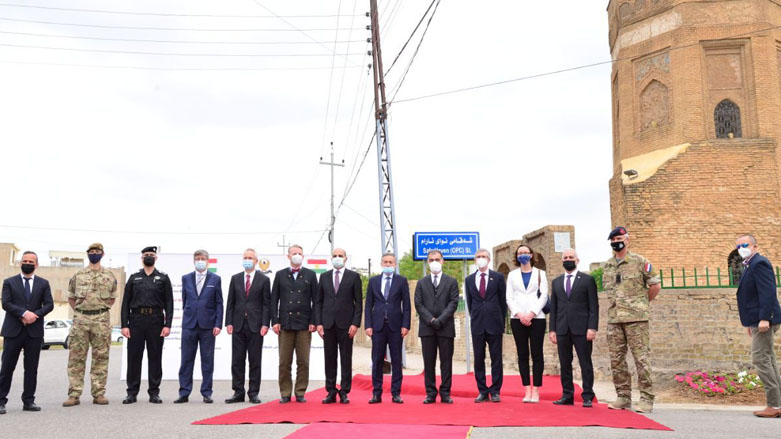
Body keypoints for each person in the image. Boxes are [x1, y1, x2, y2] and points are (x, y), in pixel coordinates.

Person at [602, 227, 660, 414]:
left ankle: (646, 399)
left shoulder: (640, 261)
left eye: (619, 238)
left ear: (627, 240)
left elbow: (655, 285)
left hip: (637, 319)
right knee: (617, 360)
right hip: (614, 319)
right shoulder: (608, 265)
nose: (616, 242)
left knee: (641, 359)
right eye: (613, 239)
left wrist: (642, 304)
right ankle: (623, 397)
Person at [63, 243, 118, 407]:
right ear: (88, 254)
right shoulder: (78, 275)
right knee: (76, 357)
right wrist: (82, 312)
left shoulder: (109, 275)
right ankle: (74, 394)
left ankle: (99, 393)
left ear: (102, 254)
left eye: (97, 252)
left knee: (101, 357)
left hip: (101, 319)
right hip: (81, 319)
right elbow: (71, 298)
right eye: (92, 252)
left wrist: (99, 311)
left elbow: (112, 298)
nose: (94, 254)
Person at [0, 251, 53, 414]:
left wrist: (34, 315)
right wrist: (23, 313)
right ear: (20, 263)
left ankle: (29, 401)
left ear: (36, 265)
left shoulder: (43, 283)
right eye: (25, 261)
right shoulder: (9, 282)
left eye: (31, 261)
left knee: (31, 368)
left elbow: (49, 305)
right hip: (13, 331)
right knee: (7, 367)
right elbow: (6, 304)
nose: (28, 263)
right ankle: (1, 401)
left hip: (34, 332)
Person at [734, 234, 781, 418]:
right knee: (768, 359)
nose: (741, 249)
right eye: (738, 246)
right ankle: (777, 403)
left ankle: (774, 405)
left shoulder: (759, 263)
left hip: (764, 320)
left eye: (744, 245)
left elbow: (767, 292)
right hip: (756, 320)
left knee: (760, 359)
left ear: (754, 246)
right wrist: (750, 322)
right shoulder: (750, 264)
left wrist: (764, 318)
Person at [120, 246, 174, 404]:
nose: (148, 257)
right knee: (134, 358)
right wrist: (125, 325)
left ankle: (154, 392)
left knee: (155, 357)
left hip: (156, 321)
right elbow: (125, 303)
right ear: (141, 258)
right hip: (136, 320)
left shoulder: (163, 278)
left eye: (151, 255)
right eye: (146, 255)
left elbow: (169, 303)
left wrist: (168, 324)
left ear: (156, 258)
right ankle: (132, 392)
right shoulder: (134, 278)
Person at [549, 248, 599, 407]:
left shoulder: (587, 279)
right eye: (565, 257)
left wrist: (592, 327)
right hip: (562, 328)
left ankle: (587, 396)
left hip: (582, 329)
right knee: (565, 363)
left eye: (571, 257)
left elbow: (594, 306)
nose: (568, 259)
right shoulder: (556, 282)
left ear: (577, 260)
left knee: (585, 362)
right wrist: (552, 330)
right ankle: (567, 395)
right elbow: (554, 307)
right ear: (562, 261)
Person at [271, 244, 318, 403]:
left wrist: (314, 321)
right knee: (284, 361)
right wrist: (275, 321)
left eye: (299, 253)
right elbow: (274, 300)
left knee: (303, 361)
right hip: (285, 323)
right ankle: (285, 392)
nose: (297, 255)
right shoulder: (280, 275)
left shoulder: (310, 275)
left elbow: (316, 301)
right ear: (288, 256)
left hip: (304, 324)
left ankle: (300, 392)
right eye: (294, 253)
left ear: (303, 256)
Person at [175, 250, 223, 404]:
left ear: (208, 261)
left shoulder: (215, 279)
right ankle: (184, 392)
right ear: (194, 261)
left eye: (203, 259)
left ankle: (206, 392)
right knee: (186, 360)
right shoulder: (186, 278)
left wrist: (218, 324)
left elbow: (219, 303)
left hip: (208, 326)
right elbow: (185, 300)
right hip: (189, 325)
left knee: (207, 361)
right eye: (197, 259)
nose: (200, 261)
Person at [315, 248, 363, 404]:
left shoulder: (354, 277)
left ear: (345, 259)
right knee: (329, 358)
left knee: (345, 358)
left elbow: (358, 303)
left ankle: (344, 391)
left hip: (346, 324)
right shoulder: (324, 277)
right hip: (328, 324)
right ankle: (331, 391)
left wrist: (355, 323)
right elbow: (319, 302)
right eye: (334, 256)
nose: (337, 258)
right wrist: (319, 323)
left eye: (340, 256)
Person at [224, 249, 270, 404]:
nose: (247, 260)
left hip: (256, 326)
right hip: (238, 325)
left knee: (255, 360)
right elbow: (230, 302)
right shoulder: (235, 278)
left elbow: (266, 304)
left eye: (250, 258)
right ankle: (238, 392)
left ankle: (253, 392)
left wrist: (265, 324)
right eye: (245, 258)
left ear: (256, 261)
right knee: (237, 360)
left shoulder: (264, 280)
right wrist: (228, 322)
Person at [365, 252, 411, 404]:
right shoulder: (373, 281)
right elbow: (368, 305)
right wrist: (368, 325)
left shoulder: (401, 281)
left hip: (396, 327)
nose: (388, 264)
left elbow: (407, 305)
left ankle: (396, 393)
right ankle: (376, 393)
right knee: (377, 359)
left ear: (395, 264)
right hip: (378, 326)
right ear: (381, 264)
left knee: (396, 360)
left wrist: (406, 325)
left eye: (391, 262)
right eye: (385, 262)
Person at [414, 250, 459, 404]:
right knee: (429, 362)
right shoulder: (421, 283)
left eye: (437, 259)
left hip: (445, 327)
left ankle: (445, 392)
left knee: (446, 362)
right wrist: (431, 320)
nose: (434, 262)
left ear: (443, 261)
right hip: (427, 328)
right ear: (427, 262)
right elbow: (418, 304)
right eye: (431, 259)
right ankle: (430, 393)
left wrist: (440, 320)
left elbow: (453, 303)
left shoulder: (451, 281)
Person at [506, 244, 548, 403]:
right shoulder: (512, 275)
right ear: (517, 257)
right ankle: (527, 389)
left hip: (537, 318)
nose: (523, 255)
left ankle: (536, 390)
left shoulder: (540, 274)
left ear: (531, 255)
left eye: (526, 252)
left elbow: (544, 295)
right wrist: (519, 314)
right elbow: (509, 297)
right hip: (517, 318)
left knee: (537, 354)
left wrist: (531, 314)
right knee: (522, 354)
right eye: (520, 253)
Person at [465, 248, 507, 402]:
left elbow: (503, 302)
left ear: (489, 260)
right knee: (478, 358)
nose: (481, 259)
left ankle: (495, 390)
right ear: (475, 260)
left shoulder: (497, 277)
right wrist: (476, 316)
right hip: (477, 325)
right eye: (478, 257)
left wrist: (499, 319)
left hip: (494, 323)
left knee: (496, 359)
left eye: (483, 256)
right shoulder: (469, 280)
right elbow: (470, 303)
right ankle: (482, 391)